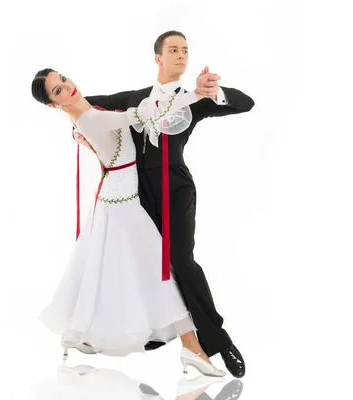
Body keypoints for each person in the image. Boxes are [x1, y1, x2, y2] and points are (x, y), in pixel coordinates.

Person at [73, 31, 255, 378]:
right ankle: (159, 331)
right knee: (143, 264)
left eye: (185, 50)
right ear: (158, 57)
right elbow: (85, 105)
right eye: (173, 50)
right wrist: (76, 130)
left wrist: (215, 91)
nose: (181, 55)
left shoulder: (194, 99)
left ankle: (218, 339)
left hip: (176, 187)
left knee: (181, 260)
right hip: (137, 193)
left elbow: (245, 103)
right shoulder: (134, 98)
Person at [31, 68, 226, 377]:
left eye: (63, 80)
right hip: (122, 204)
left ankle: (83, 333)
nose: (67, 88)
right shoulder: (91, 119)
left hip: (118, 196)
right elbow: (149, 114)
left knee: (106, 267)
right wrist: (196, 94)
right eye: (57, 91)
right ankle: (192, 348)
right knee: (160, 271)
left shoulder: (85, 114)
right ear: (52, 105)